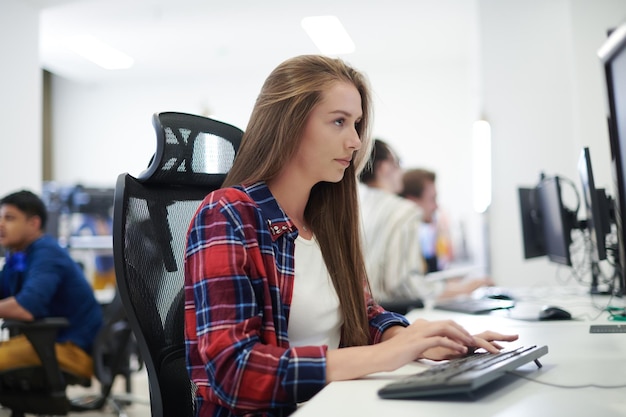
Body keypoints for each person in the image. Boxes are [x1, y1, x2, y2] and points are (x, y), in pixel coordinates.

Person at [184, 54, 518, 417]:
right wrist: (381, 356)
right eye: (339, 122)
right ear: (289, 124)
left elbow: (363, 315)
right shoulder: (227, 215)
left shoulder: (324, 219)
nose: (356, 142)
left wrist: (416, 339)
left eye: (357, 124)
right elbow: (233, 373)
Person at [0, 190, 103, 379]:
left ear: (34, 223)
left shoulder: (47, 253)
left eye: (9, 218)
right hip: (45, 342)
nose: (1, 224)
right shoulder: (19, 256)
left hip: (71, 349)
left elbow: (25, 308)